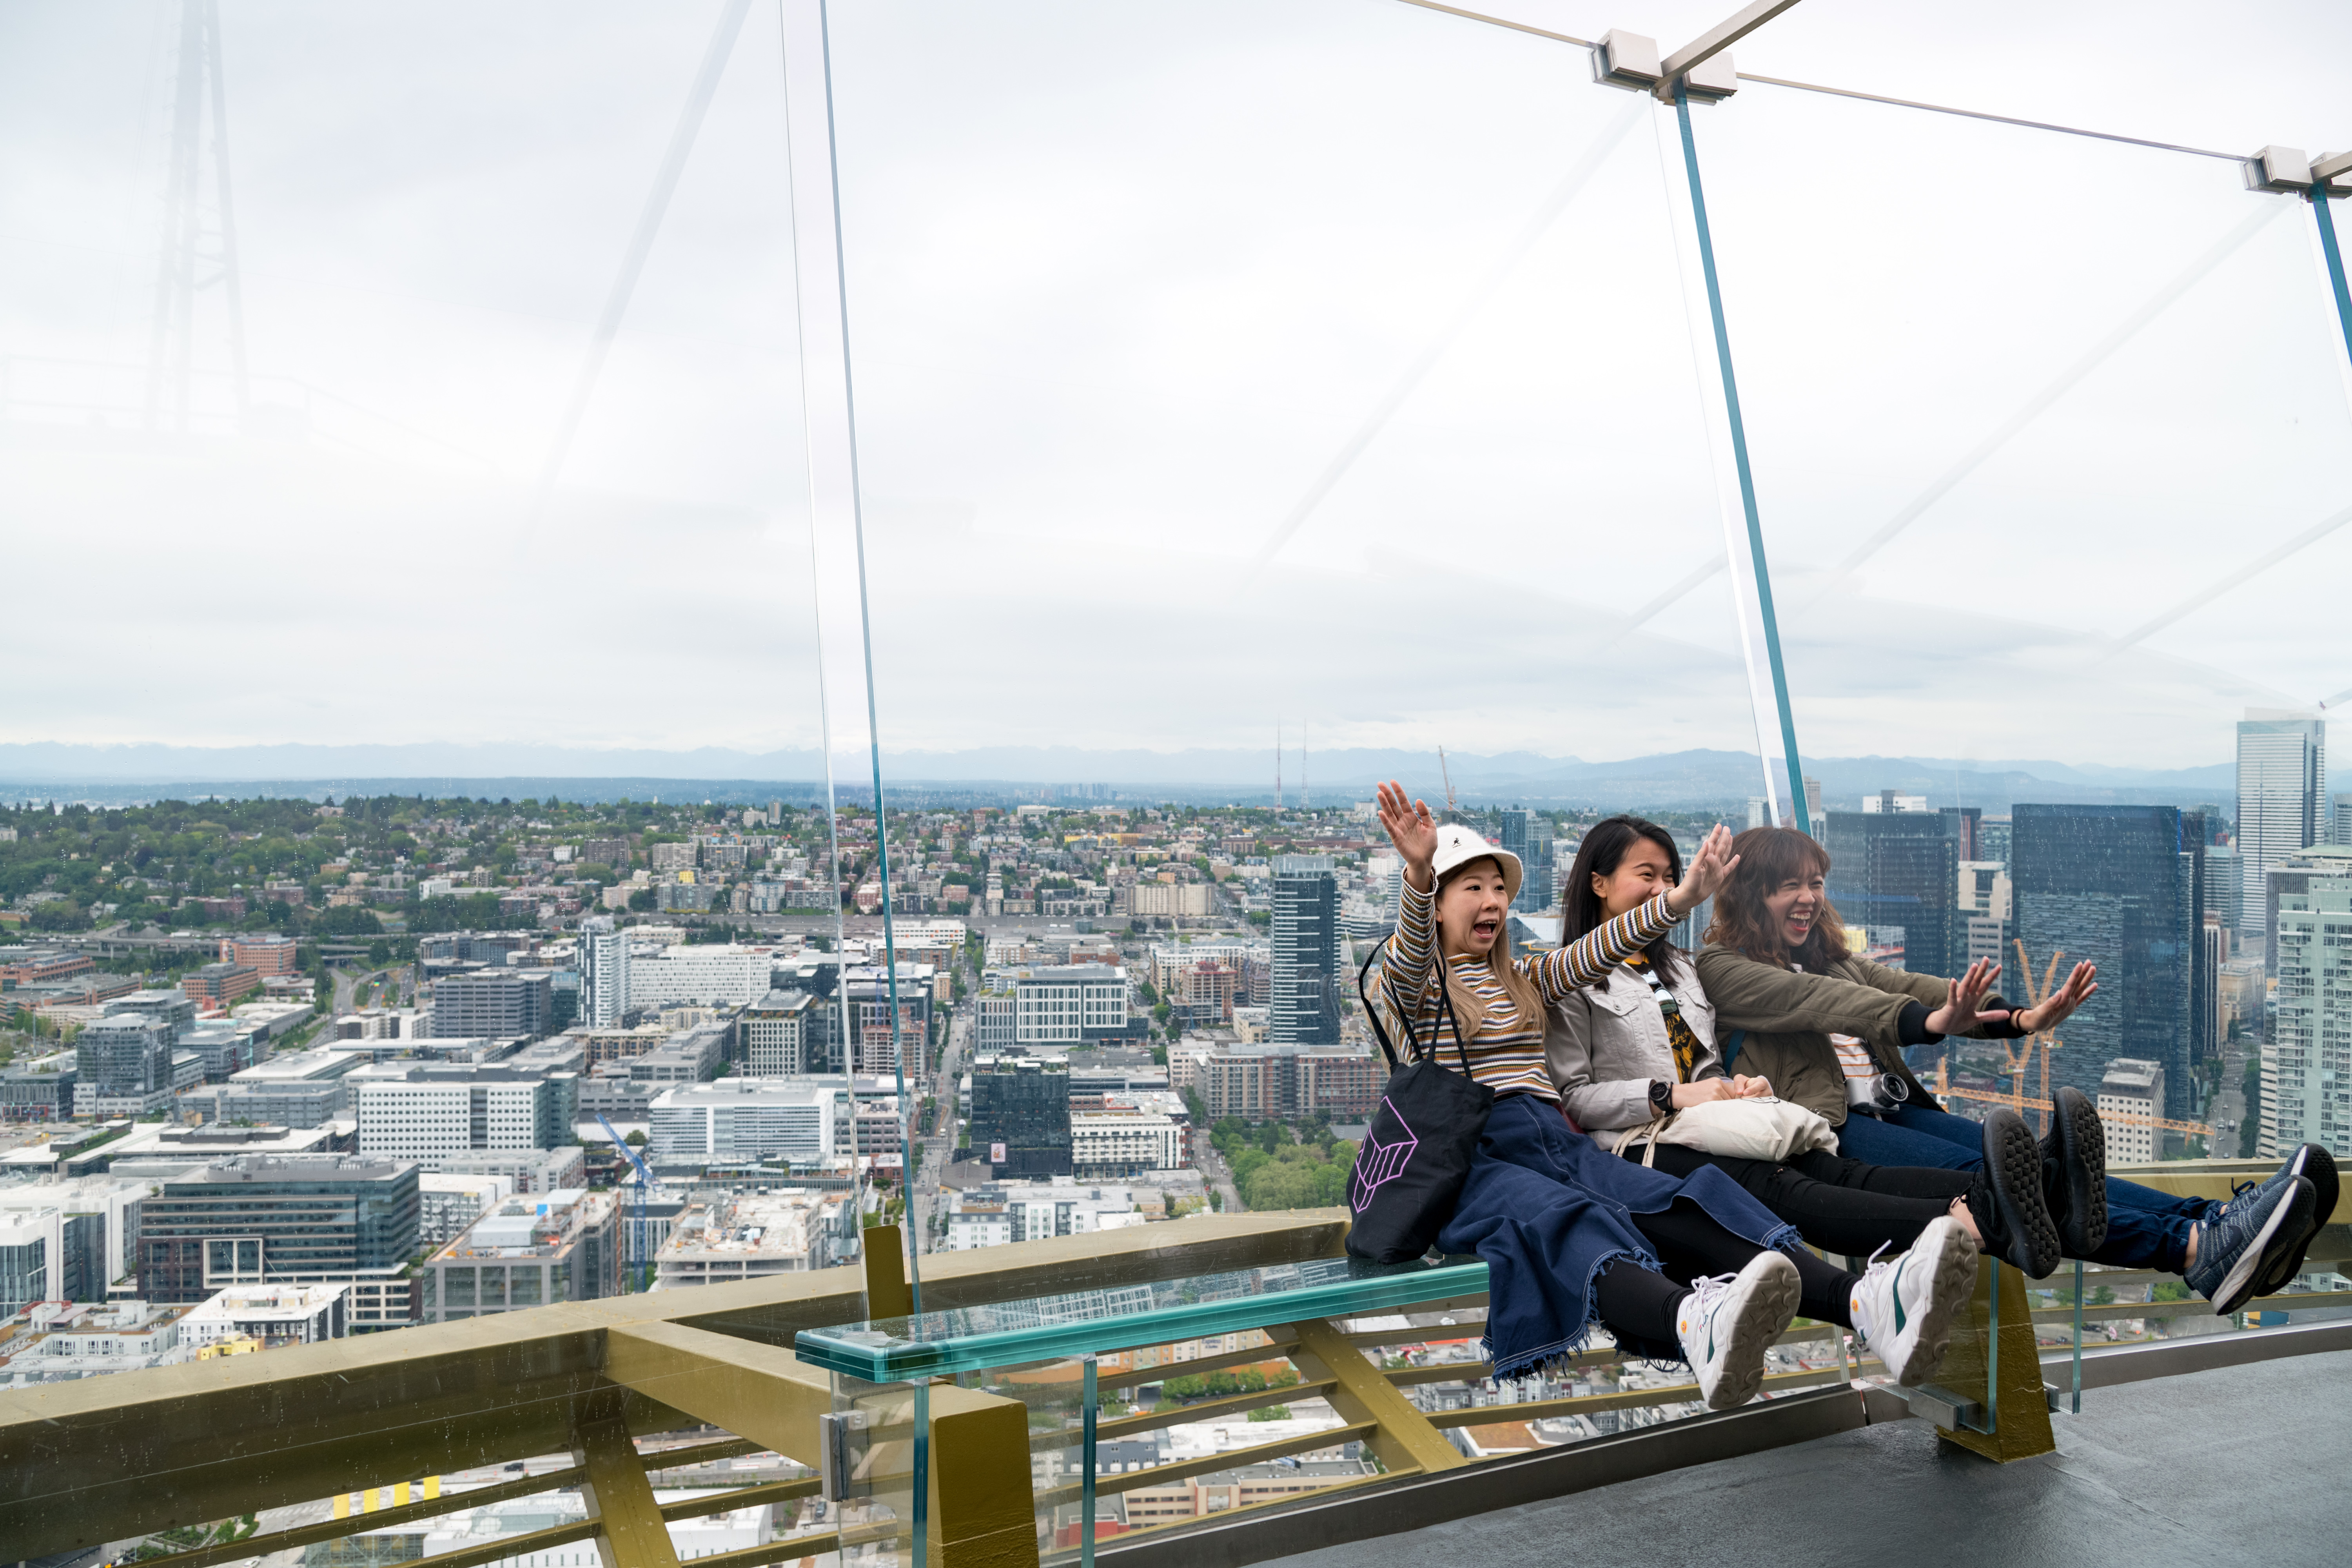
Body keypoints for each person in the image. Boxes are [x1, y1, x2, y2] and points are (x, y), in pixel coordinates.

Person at [1371, 782, 1976, 1406]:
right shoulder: (1415, 992)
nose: (1493, 900)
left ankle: (1863, 1303)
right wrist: (1418, 873)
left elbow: (1598, 950)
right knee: (1565, 1220)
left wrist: (1683, 899)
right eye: (1473, 888)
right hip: (1478, 1152)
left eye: (1500, 888)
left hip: (1550, 1139)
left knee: (1687, 1198)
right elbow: (1412, 957)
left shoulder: (1525, 978)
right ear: (1439, 904)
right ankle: (1691, 1320)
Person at [1695, 825, 2336, 1315]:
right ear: (1752, 895)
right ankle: (2194, 1250)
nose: (1809, 898)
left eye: (1816, 883)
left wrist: (2019, 1019)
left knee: (2036, 1170)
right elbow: (1828, 1005)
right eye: (1790, 886)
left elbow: (1917, 986)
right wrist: (1930, 1024)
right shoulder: (1722, 968)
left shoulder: (1835, 958)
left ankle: (2217, 1225)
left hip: (1898, 1109)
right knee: (2009, 1187)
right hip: (1835, 1131)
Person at [1548, 815, 2084, 1283]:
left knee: (1834, 1173)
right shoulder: (1567, 978)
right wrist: (1673, 1095)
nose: (1665, 889)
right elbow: (1576, 1098)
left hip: (1725, 1113)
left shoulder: (1683, 970)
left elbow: (1880, 986)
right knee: (1800, 1185)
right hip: (1653, 1133)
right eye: (1650, 877)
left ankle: (2029, 1190)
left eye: (1671, 877)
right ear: (1598, 882)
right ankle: (1989, 1217)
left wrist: (2012, 1017)